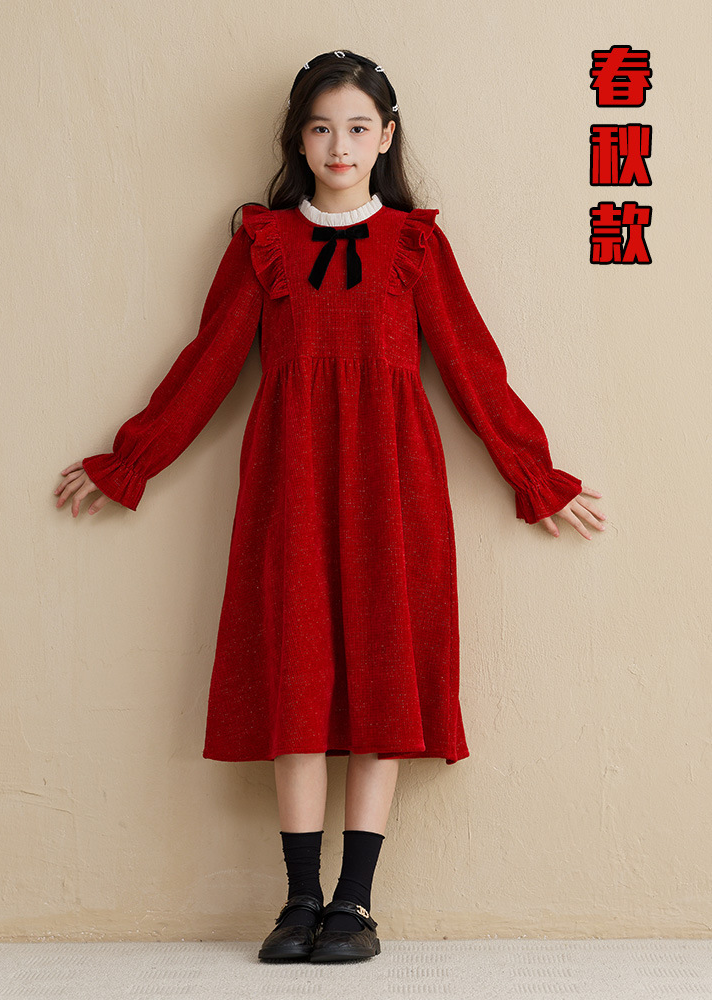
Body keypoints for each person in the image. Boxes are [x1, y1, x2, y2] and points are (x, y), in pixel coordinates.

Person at [54, 50, 606, 963]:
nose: (338, 145)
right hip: (292, 483)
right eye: (320, 128)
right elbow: (208, 363)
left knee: (386, 669)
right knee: (298, 672)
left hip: (395, 484)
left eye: (356, 128)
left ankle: (355, 905)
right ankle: (298, 901)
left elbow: (472, 364)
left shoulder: (417, 244)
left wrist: (533, 473)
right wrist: (131, 460)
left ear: (386, 137)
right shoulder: (262, 242)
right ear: (298, 140)